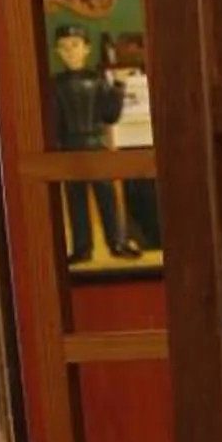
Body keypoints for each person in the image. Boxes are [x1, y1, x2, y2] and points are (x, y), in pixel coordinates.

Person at [51, 25, 140, 265]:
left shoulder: (97, 80)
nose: (70, 52)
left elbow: (111, 115)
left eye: (75, 45)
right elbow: (53, 119)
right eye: (64, 47)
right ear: (57, 51)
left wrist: (119, 86)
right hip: (69, 148)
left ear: (86, 49)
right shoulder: (55, 84)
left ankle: (117, 242)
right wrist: (55, 148)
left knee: (107, 197)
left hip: (96, 145)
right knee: (76, 200)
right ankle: (82, 247)